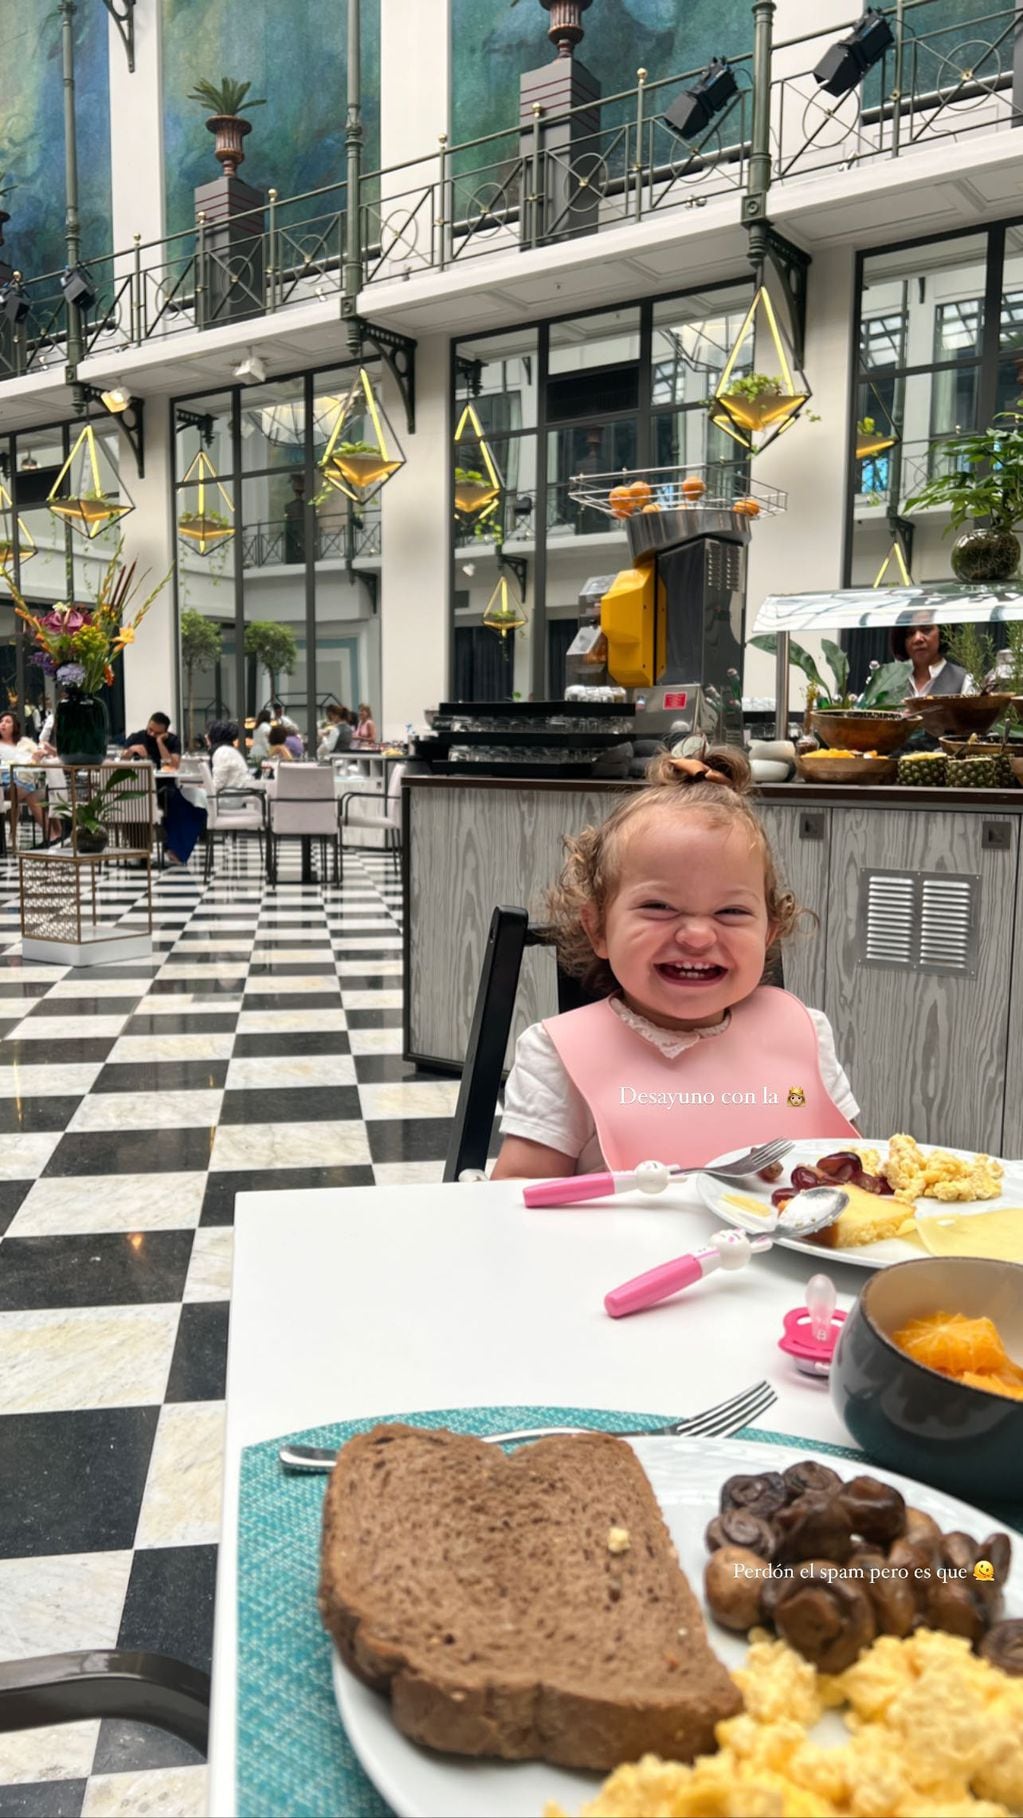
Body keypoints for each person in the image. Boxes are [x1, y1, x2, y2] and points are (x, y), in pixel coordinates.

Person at [491, 745, 859, 1180]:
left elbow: (853, 1173)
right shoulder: (559, 1056)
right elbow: (517, 1200)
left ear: (769, 932)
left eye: (731, 912)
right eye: (659, 906)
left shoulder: (805, 1037)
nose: (697, 936)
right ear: (598, 930)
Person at [121, 712, 202, 869]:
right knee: (134, 804)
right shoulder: (136, 737)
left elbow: (173, 765)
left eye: (157, 733)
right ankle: (139, 851)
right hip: (139, 787)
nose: (151, 734)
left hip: (164, 787)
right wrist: (130, 751)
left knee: (181, 805)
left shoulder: (172, 741)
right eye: (149, 730)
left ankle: (173, 848)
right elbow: (122, 758)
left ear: (165, 731)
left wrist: (160, 743)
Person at [0, 711, 58, 842]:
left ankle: (12, 836)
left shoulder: (24, 742)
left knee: (18, 790)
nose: (3, 724)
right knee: (31, 797)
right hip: (3, 784)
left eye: (7, 722)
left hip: (22, 782)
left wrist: (40, 755)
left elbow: (40, 752)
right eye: (1, 721)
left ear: (15, 727)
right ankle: (52, 836)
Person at [891, 624, 976, 699]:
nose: (917, 638)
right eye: (910, 633)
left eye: (926, 630)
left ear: (942, 632)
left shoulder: (963, 680)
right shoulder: (891, 681)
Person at [208, 720, 256, 792]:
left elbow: (218, 784)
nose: (206, 736)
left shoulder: (222, 752)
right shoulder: (229, 750)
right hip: (239, 794)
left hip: (231, 797)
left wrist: (204, 789)